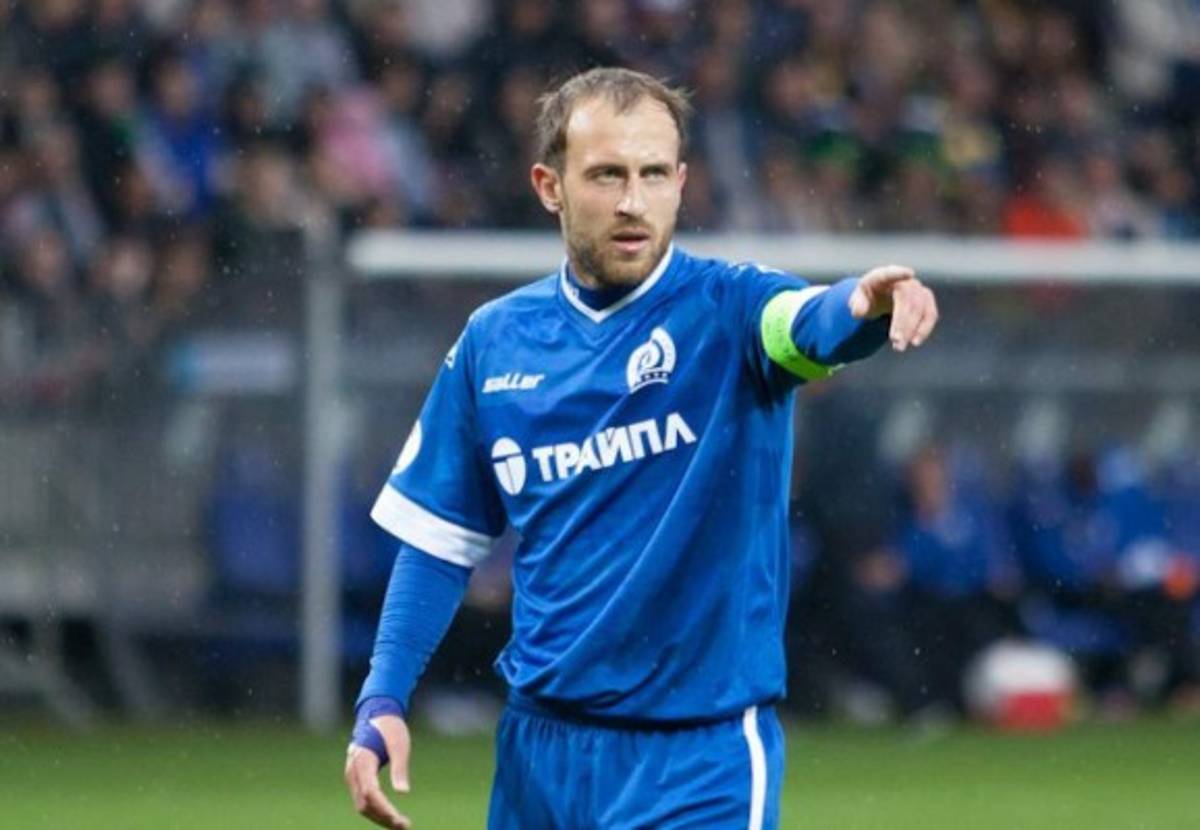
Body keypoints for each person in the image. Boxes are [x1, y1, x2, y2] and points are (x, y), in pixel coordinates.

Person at [344, 66, 939, 830]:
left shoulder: (728, 308)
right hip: (540, 759)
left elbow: (803, 323)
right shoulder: (493, 344)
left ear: (681, 183)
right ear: (549, 186)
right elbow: (438, 542)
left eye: (653, 174)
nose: (633, 201)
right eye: (606, 175)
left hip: (699, 761)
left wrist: (861, 306)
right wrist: (383, 699)